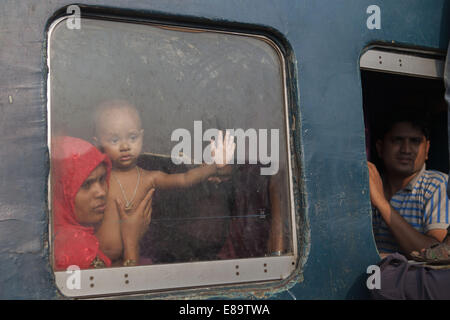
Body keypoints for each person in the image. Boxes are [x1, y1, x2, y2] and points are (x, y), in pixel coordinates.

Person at [92, 100, 236, 262]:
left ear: (142, 136)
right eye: (114, 140)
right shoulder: (99, 180)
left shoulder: (149, 178)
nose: (125, 146)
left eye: (132, 137)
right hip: (96, 263)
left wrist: (214, 166)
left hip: (130, 259)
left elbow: (184, 179)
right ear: (97, 142)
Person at [51, 136, 154, 270]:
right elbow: (121, 289)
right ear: (60, 193)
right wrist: (131, 243)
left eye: (102, 179)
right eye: (86, 185)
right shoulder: (74, 247)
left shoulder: (57, 234)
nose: (101, 192)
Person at [368, 111, 449, 257]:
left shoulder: (437, 184)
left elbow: (438, 253)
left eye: (415, 141)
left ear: (427, 149)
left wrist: (382, 203)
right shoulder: (369, 182)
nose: (406, 150)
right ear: (380, 148)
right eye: (397, 140)